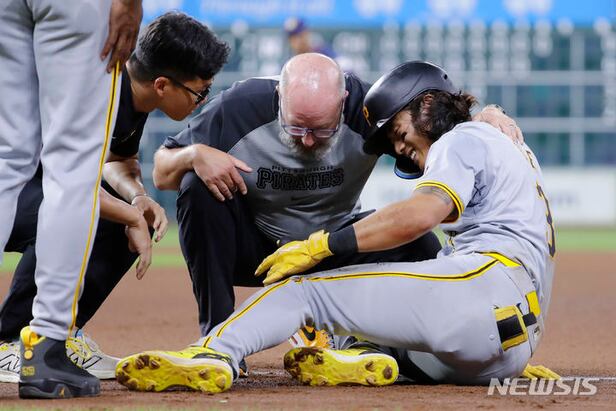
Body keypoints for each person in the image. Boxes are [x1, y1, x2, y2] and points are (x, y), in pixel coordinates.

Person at [115, 61, 557, 393]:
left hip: (483, 296)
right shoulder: (504, 143)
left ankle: (214, 352)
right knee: (390, 320)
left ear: (426, 103)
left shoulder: (460, 139)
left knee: (303, 293)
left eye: (399, 133)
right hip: (506, 349)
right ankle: (360, 354)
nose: (402, 149)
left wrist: (323, 245)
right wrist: (485, 112)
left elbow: (421, 214)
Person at [0, 9, 229, 396]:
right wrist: (129, 215)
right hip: (21, 191)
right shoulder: (101, 85)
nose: (202, 101)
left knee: (128, 218)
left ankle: (63, 335)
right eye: (199, 91)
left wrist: (137, 198)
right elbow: (65, 182)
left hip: (31, 187)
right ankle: (13, 341)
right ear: (162, 85)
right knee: (96, 218)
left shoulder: (137, 101)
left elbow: (119, 160)